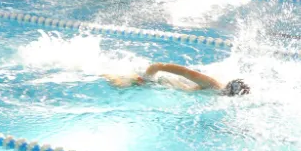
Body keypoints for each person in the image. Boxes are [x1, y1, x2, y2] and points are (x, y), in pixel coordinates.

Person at [104, 62, 250, 96]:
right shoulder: (212, 84)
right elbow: (184, 72)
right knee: (119, 85)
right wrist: (151, 73)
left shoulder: (217, 92)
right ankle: (100, 71)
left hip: (165, 85)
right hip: (156, 79)